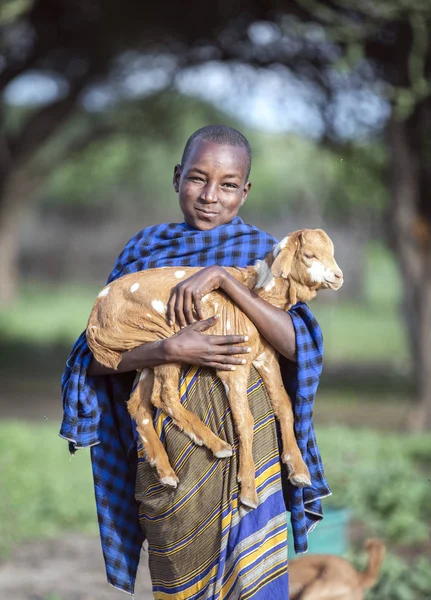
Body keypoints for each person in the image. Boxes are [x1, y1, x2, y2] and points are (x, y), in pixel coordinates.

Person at [60, 125, 331, 599]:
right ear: (176, 177)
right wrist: (166, 351)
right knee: (180, 581)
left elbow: (298, 345)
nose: (210, 196)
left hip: (255, 452)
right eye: (197, 179)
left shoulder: (264, 253)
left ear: (245, 191)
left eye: (228, 184)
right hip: (173, 451)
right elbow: (95, 357)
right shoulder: (145, 252)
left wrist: (225, 280)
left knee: (254, 582)